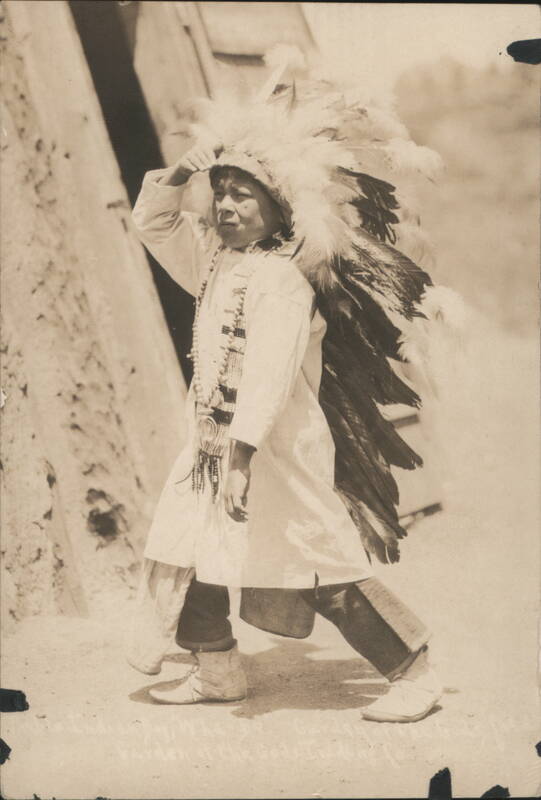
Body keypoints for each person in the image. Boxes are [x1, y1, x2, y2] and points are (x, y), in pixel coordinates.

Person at [127, 82, 444, 723]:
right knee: (191, 547)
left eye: (243, 193)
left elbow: (269, 374)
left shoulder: (280, 277)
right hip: (214, 446)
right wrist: (186, 169)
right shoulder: (215, 260)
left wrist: (241, 455)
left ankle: (413, 674)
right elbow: (151, 222)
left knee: (317, 560)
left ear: (278, 207)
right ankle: (215, 669)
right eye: (220, 191)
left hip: (272, 447)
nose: (225, 205)